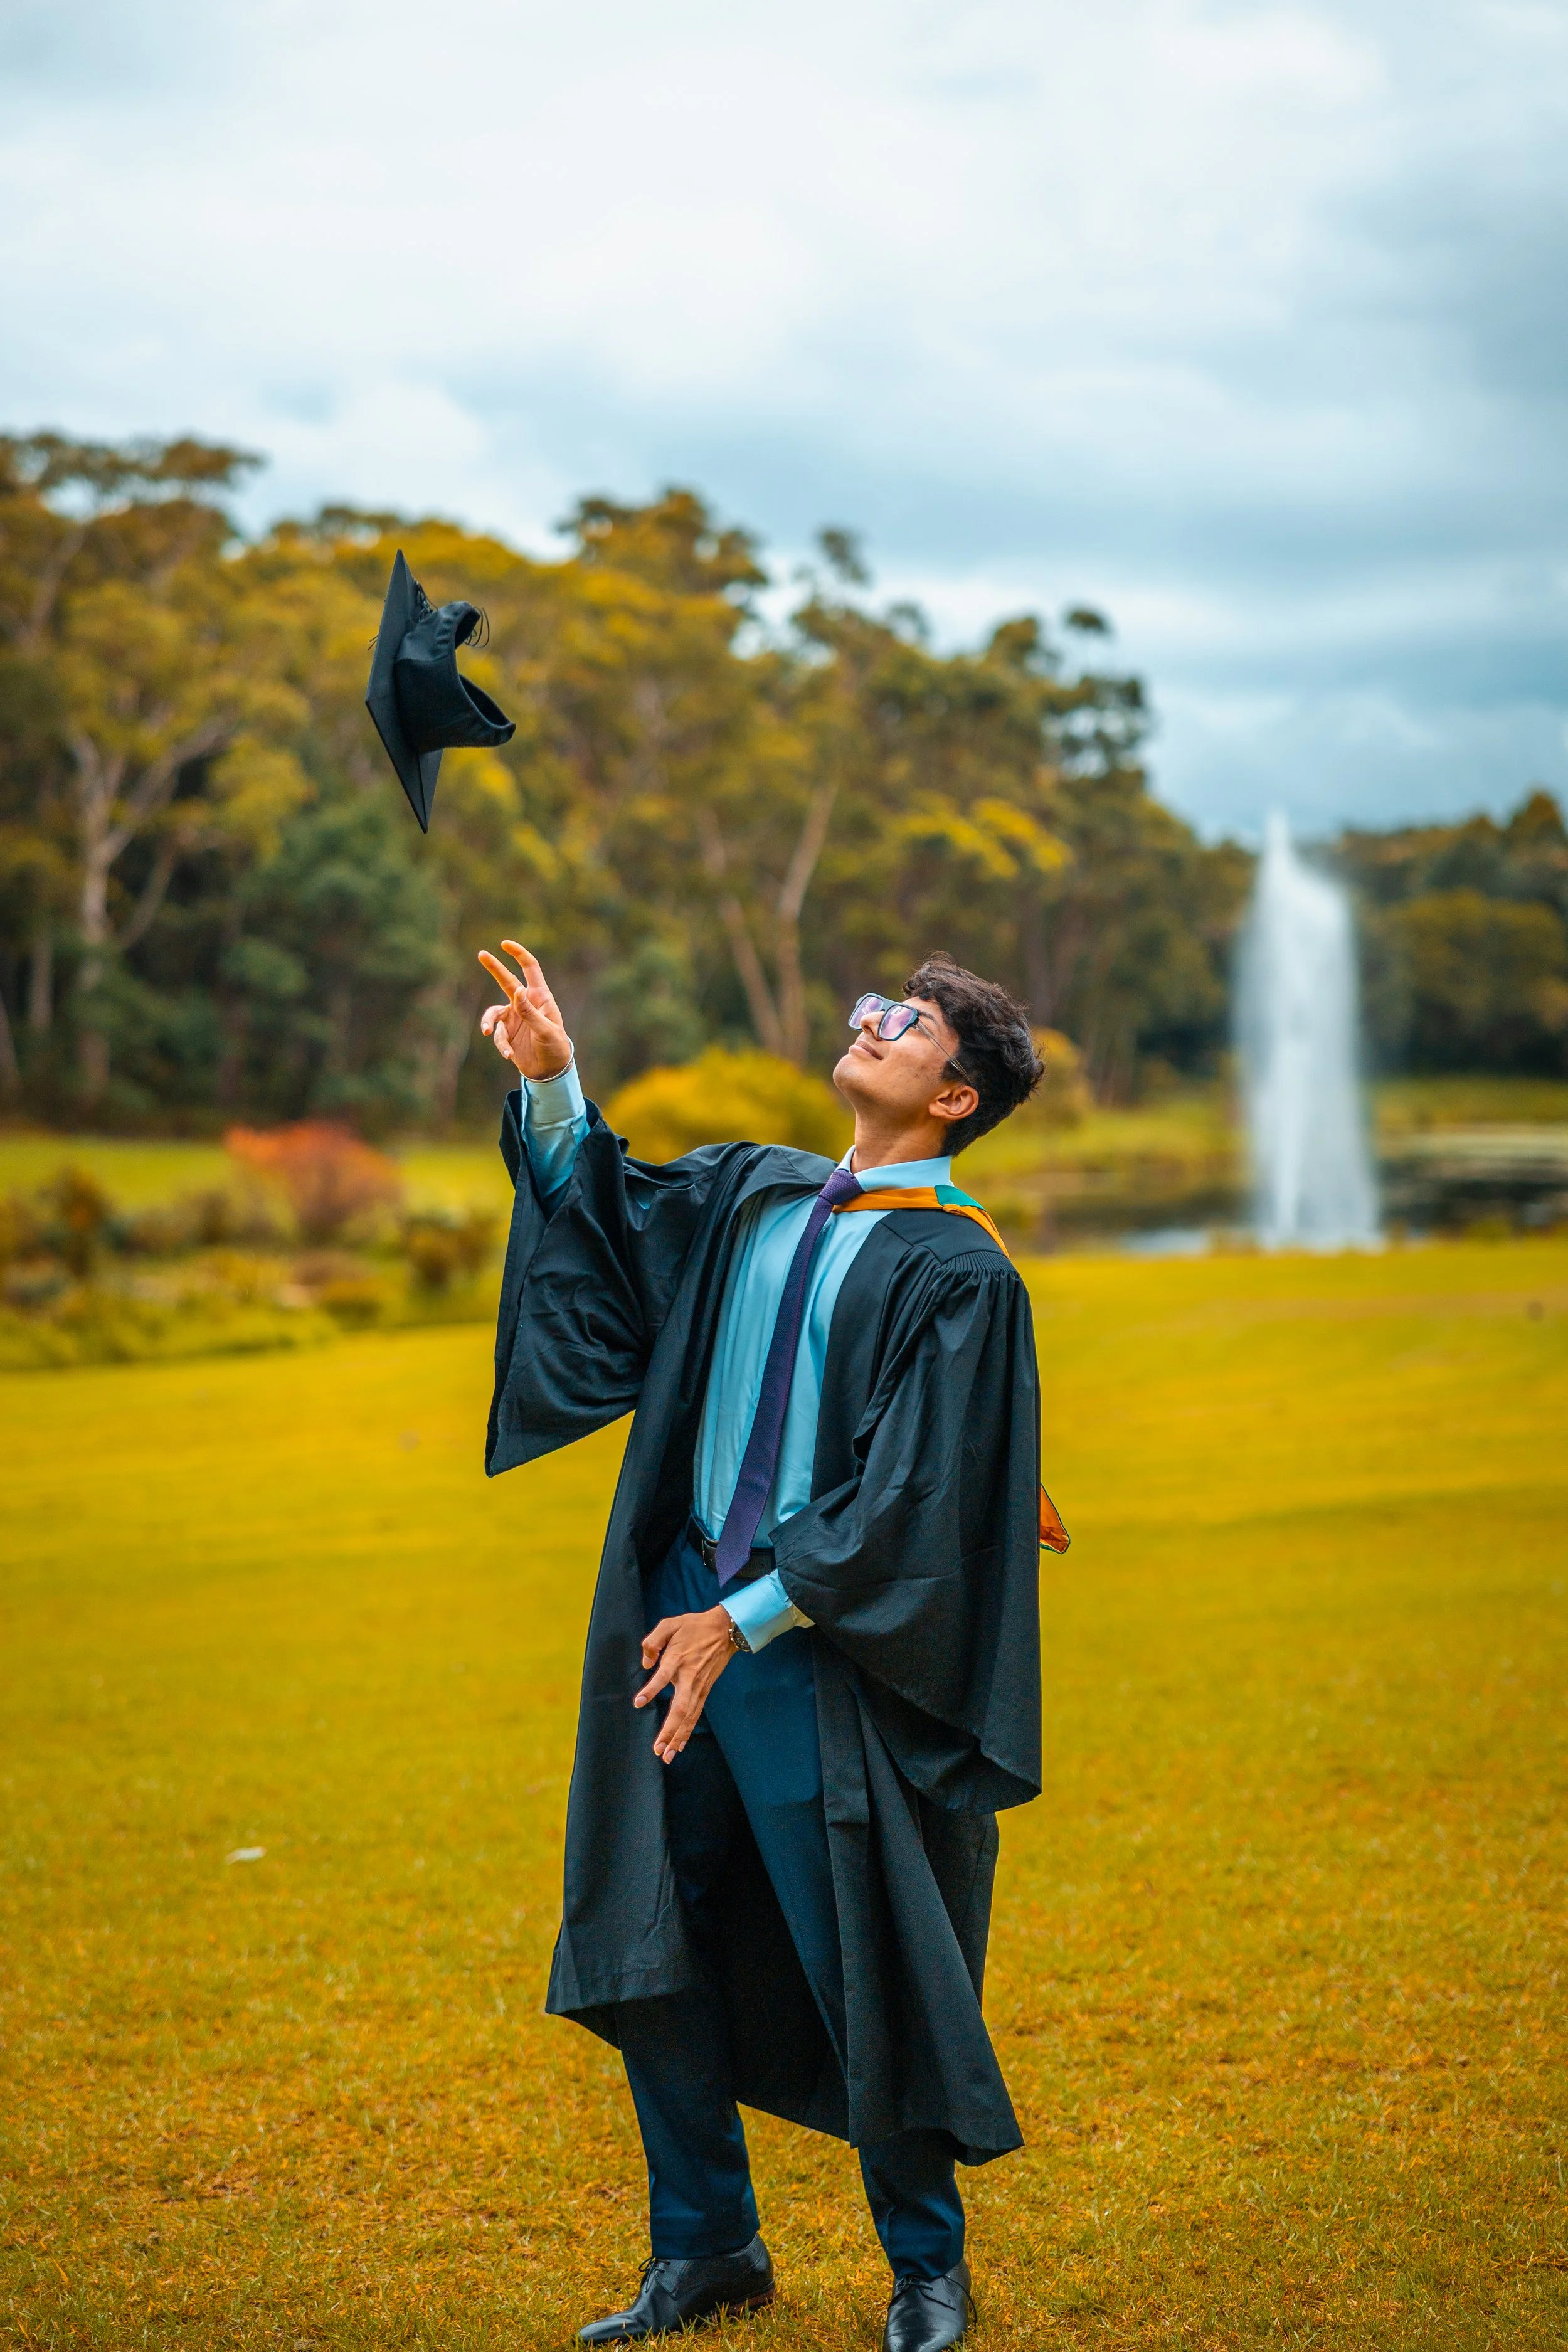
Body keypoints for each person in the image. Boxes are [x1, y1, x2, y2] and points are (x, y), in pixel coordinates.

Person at [477, 939, 1047, 2352]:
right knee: (645, 1922)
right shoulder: (756, 1193)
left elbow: (909, 1498)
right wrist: (555, 1089)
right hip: (671, 1607)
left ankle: (924, 2270)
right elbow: (607, 1221)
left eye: (901, 1024)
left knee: (865, 1945)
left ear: (955, 1097)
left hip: (811, 1649)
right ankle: (707, 2251)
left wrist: (743, 1621)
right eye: (869, 1007)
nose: (866, 1025)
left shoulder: (961, 1277)